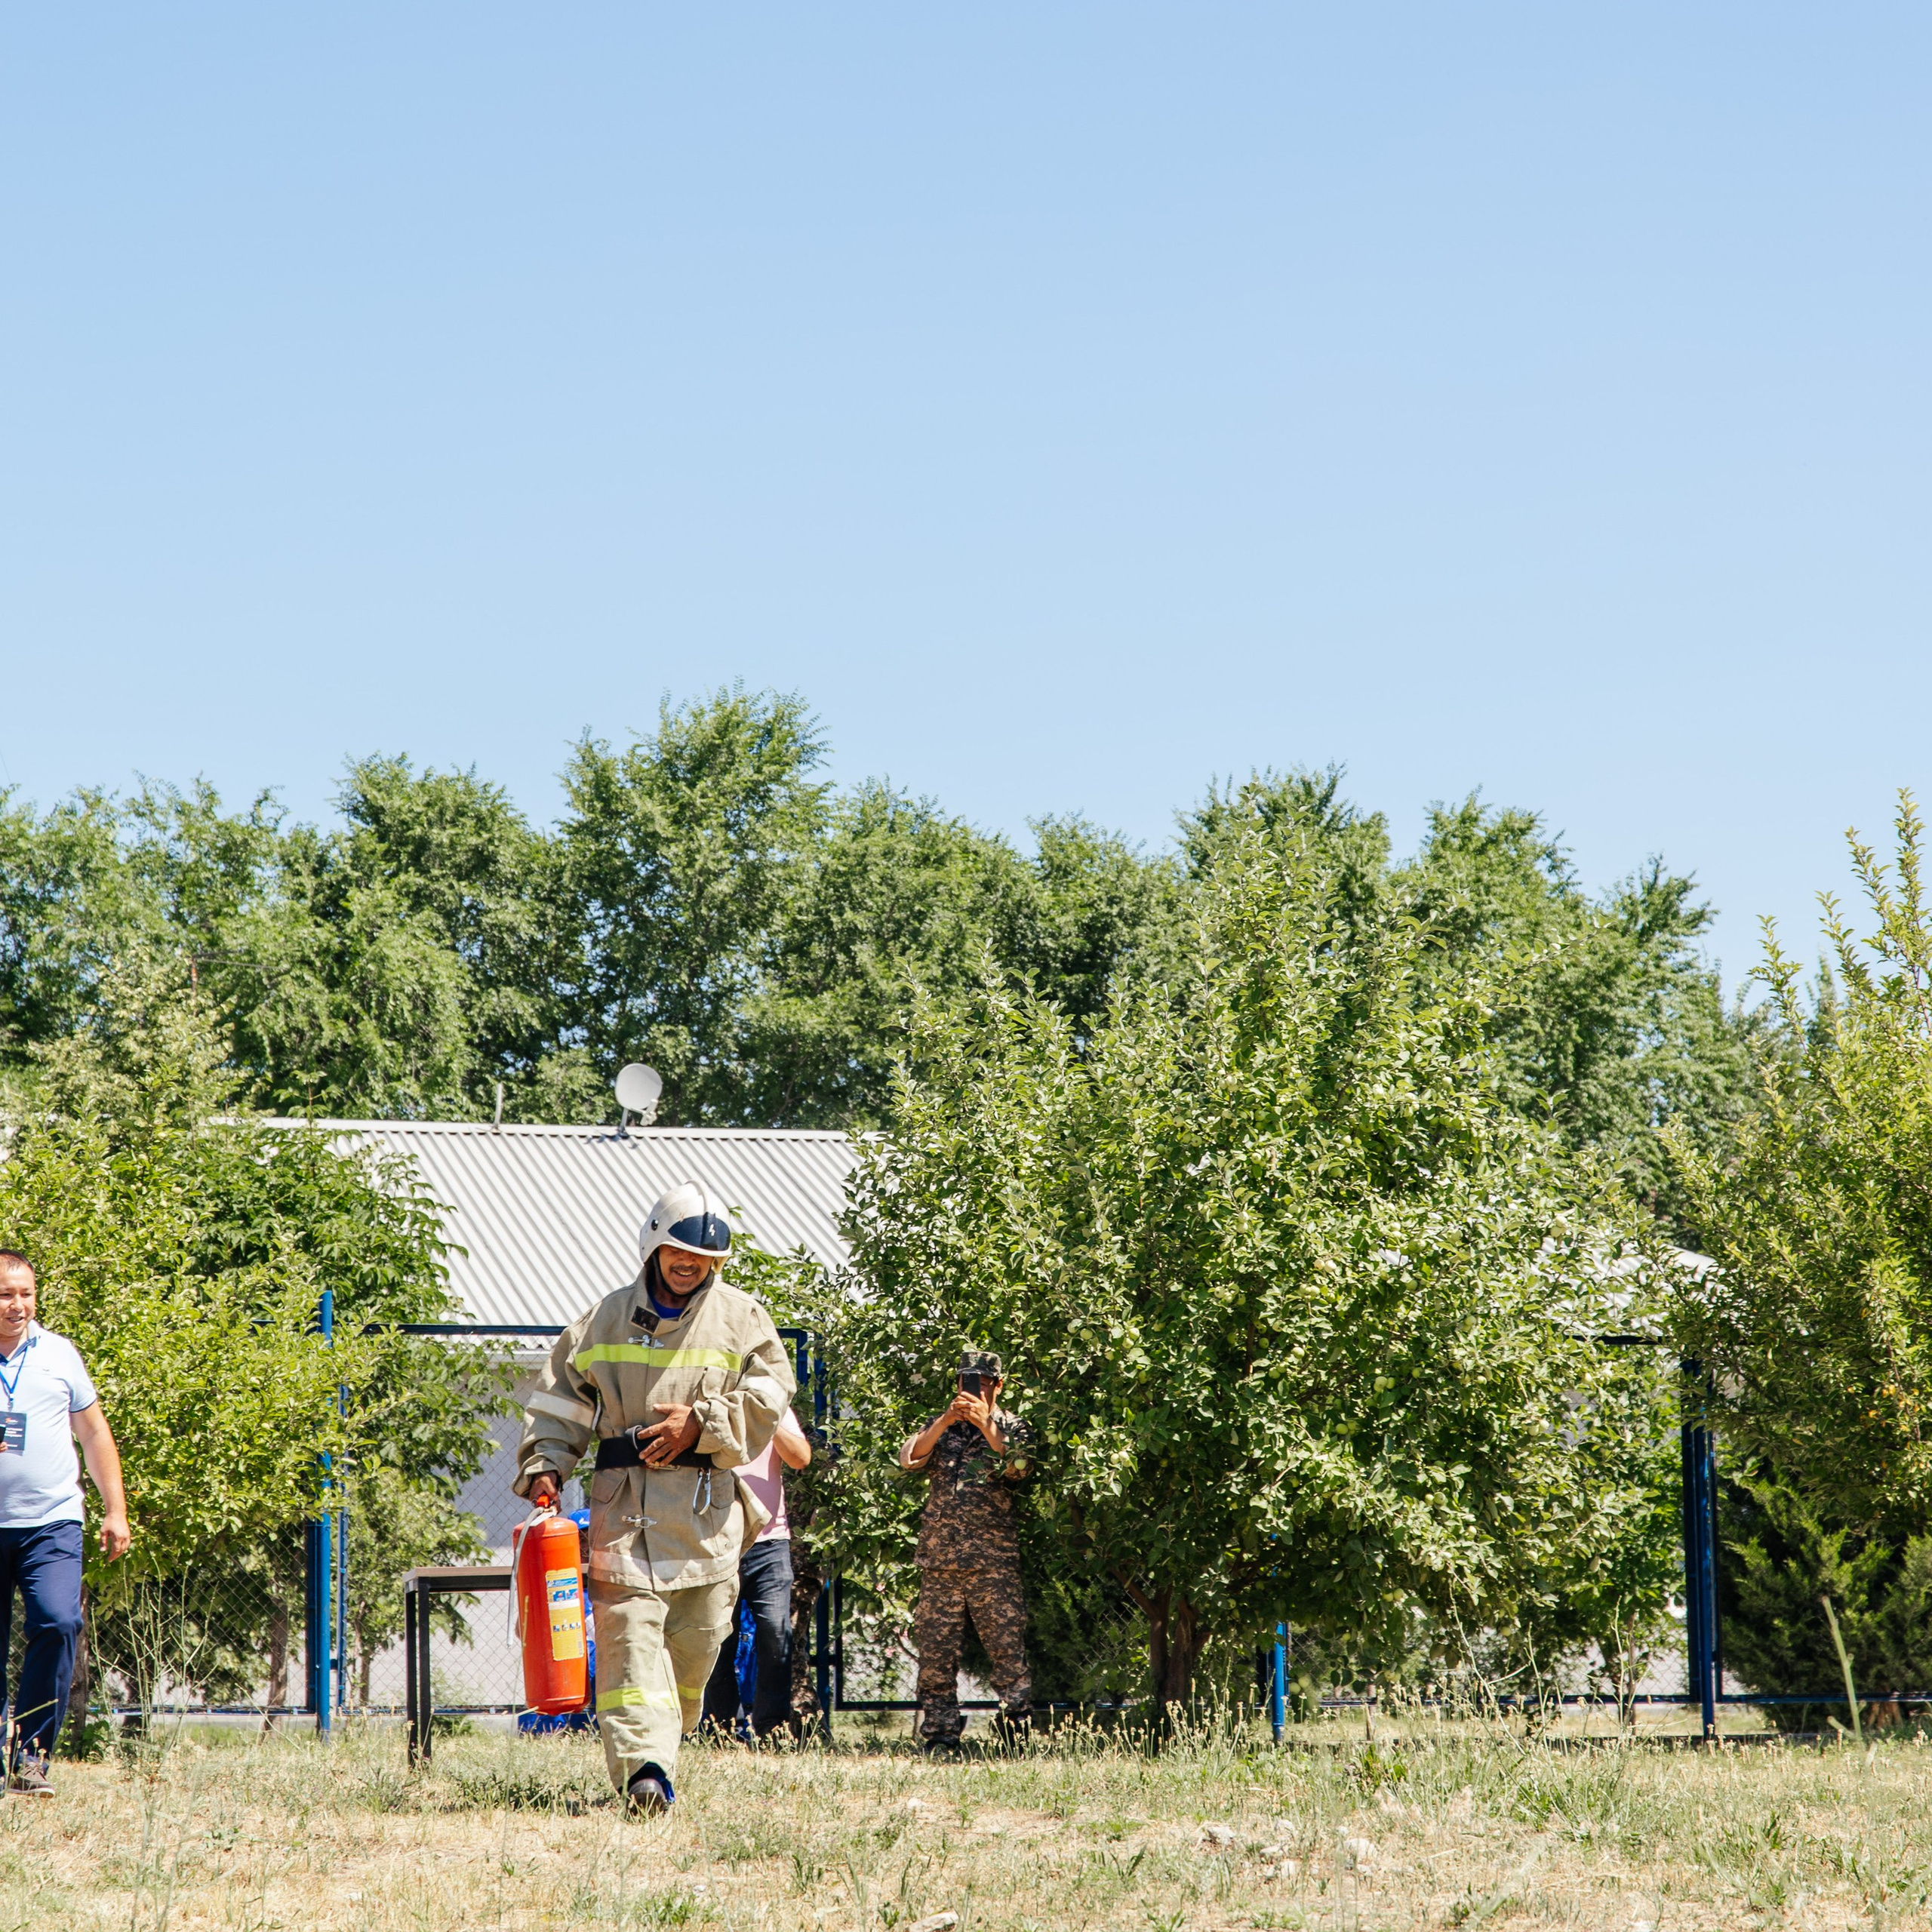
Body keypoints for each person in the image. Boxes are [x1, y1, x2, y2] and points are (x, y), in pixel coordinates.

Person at [515, 1185, 795, 1814]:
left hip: (707, 1518)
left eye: (703, 1258)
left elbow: (772, 1392)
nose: (691, 1265)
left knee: (696, 1655)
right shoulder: (604, 1320)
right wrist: (545, 1467)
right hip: (625, 1514)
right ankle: (646, 1773)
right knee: (629, 1641)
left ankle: (669, 1734)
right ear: (655, 1246)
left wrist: (701, 1424)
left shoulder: (743, 1318)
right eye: (680, 1252)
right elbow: (560, 1403)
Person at [0, 1251, 131, 1795]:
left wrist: (115, 1509)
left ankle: (32, 1759)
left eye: (26, 1293)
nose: (18, 1305)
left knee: (58, 1622)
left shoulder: (59, 1354)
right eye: (7, 1295)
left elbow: (94, 1434)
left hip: (50, 1521)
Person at [898, 1349, 1032, 1752]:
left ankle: (1015, 1735)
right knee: (936, 1656)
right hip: (941, 1562)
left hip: (993, 1564)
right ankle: (940, 1737)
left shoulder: (1013, 1427)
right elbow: (910, 1458)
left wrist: (987, 1424)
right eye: (965, 1381)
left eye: (982, 1382)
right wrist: (945, 1420)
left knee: (1008, 1654)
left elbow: (1021, 1467)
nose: (972, 1388)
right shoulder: (943, 1426)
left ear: (998, 1384)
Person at [700, 1405, 811, 1742]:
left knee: (776, 1635)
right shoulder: (708, 1405)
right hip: (717, 1542)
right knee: (718, 1639)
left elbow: (801, 1458)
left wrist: (770, 1422)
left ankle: (771, 1729)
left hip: (770, 1544)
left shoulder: (774, 1408)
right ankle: (718, 1729)